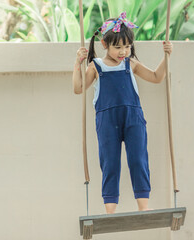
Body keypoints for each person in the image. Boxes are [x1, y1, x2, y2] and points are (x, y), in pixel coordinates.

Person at [72, 12, 173, 214]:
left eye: (127, 47)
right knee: (110, 162)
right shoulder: (96, 66)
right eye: (118, 47)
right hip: (107, 121)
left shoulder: (131, 64)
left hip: (133, 119)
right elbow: (78, 88)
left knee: (138, 159)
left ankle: (143, 206)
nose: (123, 52)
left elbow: (156, 77)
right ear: (104, 44)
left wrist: (166, 56)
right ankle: (111, 210)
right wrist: (77, 64)